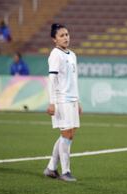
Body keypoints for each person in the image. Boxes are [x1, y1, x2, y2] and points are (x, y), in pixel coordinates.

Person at [43, 23, 82, 182]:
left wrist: (78, 101)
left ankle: (51, 168)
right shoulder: (55, 54)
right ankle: (65, 171)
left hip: (72, 100)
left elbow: (74, 80)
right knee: (66, 134)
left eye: (67, 34)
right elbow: (51, 80)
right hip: (61, 100)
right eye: (61, 35)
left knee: (69, 134)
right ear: (54, 39)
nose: (66, 37)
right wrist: (52, 102)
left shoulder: (72, 55)